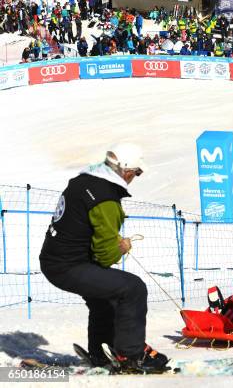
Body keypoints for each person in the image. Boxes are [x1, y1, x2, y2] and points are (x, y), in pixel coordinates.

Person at [39, 144, 169, 373]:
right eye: (137, 173)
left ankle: (100, 352)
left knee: (105, 297)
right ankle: (132, 356)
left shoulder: (83, 181)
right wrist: (122, 246)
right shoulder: (105, 199)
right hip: (69, 265)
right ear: (127, 171)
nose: (135, 178)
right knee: (133, 288)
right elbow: (105, 255)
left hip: (55, 260)